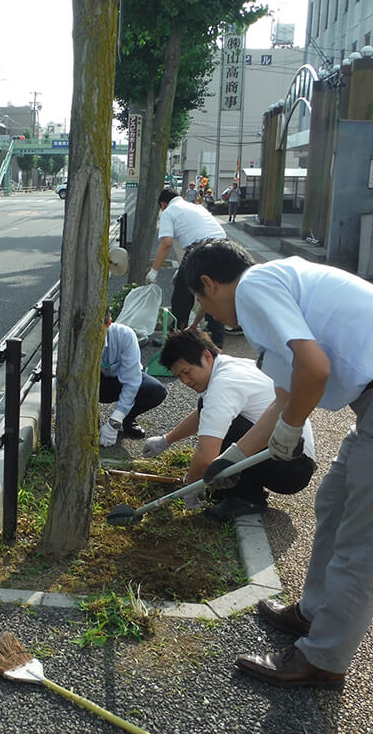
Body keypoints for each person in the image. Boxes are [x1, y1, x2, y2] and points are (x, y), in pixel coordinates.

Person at [180, 237, 373, 689]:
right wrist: (233, 457)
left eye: (200, 298)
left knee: (362, 542)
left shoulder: (255, 288)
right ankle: (312, 613)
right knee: (333, 502)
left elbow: (315, 369)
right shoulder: (277, 283)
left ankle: (324, 658)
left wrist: (292, 429)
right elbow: (286, 396)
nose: (207, 311)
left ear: (209, 284)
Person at [145, 328, 315, 521]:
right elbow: (204, 415)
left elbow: (206, 456)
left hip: (290, 468)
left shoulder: (224, 383)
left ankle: (246, 497)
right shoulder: (228, 366)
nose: (185, 381)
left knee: (221, 425)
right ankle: (235, 489)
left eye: (186, 372)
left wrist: (189, 486)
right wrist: (166, 440)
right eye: (179, 376)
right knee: (210, 411)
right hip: (289, 458)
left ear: (206, 356)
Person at [145, 188, 227, 348]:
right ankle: (216, 341)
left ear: (163, 204)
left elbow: (166, 243)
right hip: (224, 247)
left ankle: (174, 338)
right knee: (212, 293)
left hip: (200, 250)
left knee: (181, 296)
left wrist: (154, 271)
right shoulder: (196, 206)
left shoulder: (169, 212)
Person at [99, 312, 168, 446]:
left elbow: (131, 381)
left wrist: (115, 420)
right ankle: (88, 417)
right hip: (93, 384)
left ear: (109, 323)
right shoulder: (72, 337)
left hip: (120, 381)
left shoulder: (125, 335)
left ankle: (127, 419)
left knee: (156, 391)